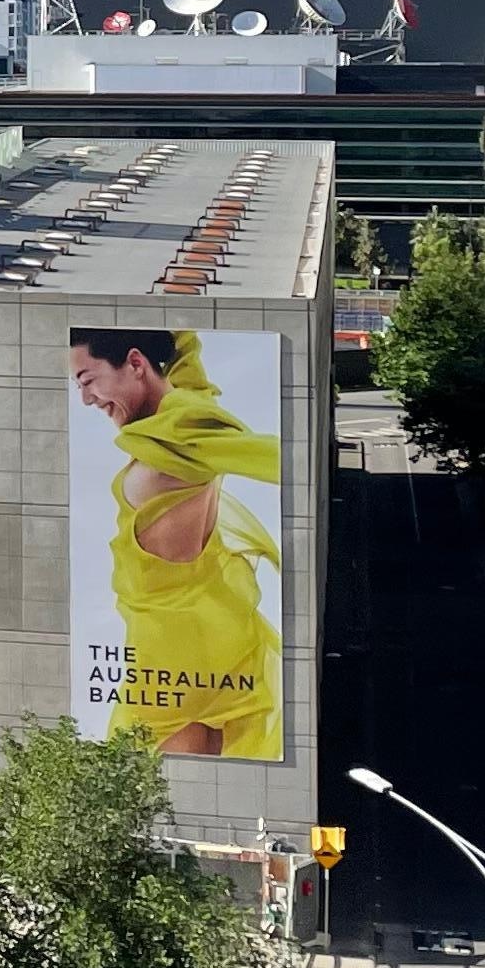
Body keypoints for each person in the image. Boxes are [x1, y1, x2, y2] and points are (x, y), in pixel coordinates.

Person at [70, 325, 281, 758]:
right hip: (214, 636)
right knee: (206, 795)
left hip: (169, 659)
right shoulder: (184, 409)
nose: (86, 399)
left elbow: (274, 457)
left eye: (87, 380)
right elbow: (186, 360)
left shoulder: (180, 431)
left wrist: (311, 469)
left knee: (156, 804)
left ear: (134, 363)